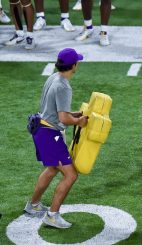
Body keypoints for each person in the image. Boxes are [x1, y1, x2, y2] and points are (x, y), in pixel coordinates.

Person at [24, 48, 88, 229]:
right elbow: (64, 119)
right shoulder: (64, 86)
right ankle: (52, 216)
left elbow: (55, 109)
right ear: (73, 65)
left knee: (52, 169)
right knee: (70, 175)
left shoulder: (54, 77)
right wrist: (79, 121)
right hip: (50, 134)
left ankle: (34, 205)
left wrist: (73, 114)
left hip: (41, 128)